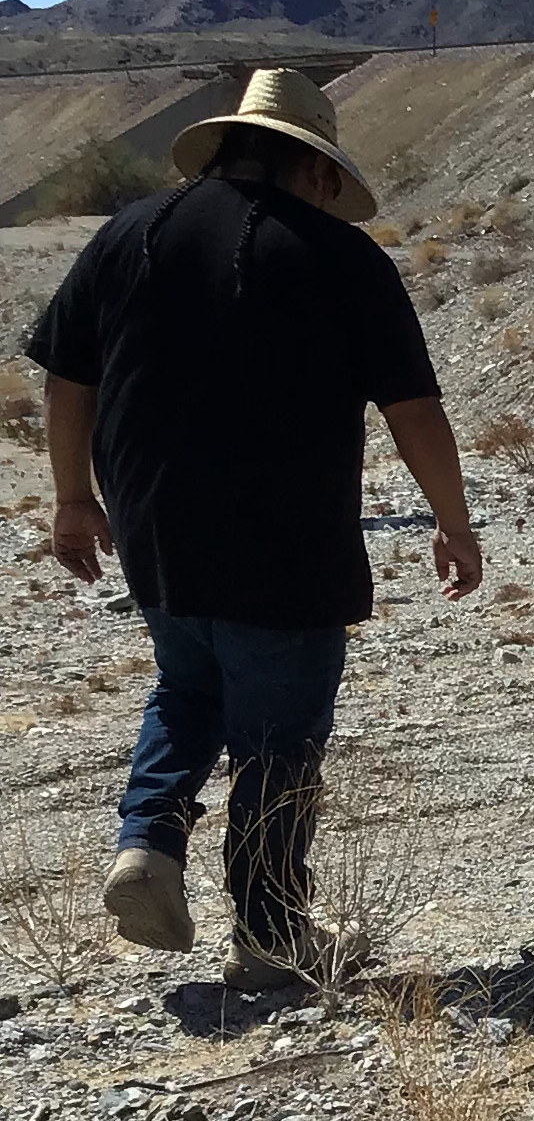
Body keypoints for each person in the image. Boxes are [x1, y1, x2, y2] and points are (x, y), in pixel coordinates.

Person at [25, 67, 480, 991]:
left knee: (187, 686)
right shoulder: (340, 256)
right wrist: (452, 520)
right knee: (279, 737)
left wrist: (72, 498)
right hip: (285, 544)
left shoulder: (127, 234)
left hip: (152, 527)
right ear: (313, 168)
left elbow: (67, 378)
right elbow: (414, 408)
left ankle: (148, 843)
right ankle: (271, 938)